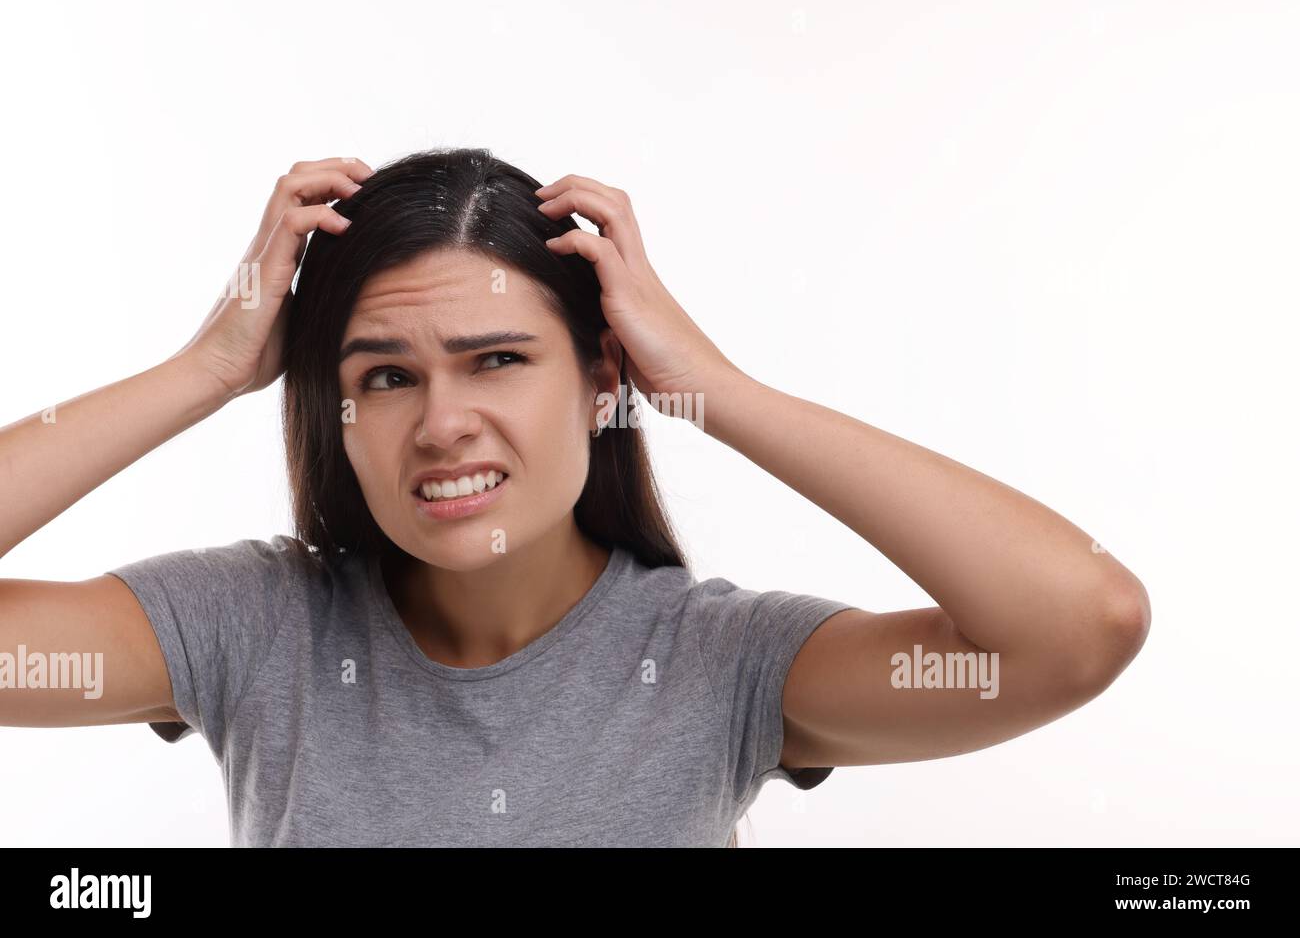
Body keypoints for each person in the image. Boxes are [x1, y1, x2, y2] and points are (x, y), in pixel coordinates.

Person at [0, 148, 1151, 847]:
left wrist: (715, 391)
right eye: (385, 376)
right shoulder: (257, 629)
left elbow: (1079, 623)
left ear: (603, 381)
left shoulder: (717, 663)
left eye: (496, 359)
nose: (442, 421)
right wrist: (203, 371)